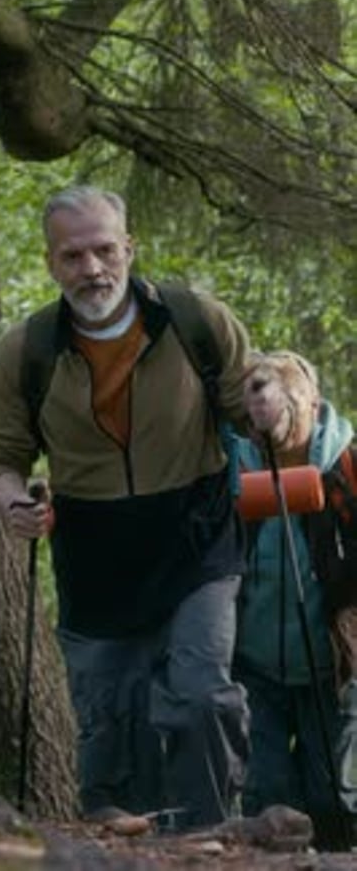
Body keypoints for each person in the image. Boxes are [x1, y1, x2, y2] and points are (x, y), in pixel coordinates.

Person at [0, 184, 252, 830]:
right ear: (51, 263)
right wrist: (14, 502)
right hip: (95, 550)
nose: (92, 268)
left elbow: (249, 400)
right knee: (110, 722)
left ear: (129, 248)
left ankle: (210, 834)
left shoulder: (196, 320)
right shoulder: (29, 349)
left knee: (203, 694)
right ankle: (125, 846)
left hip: (196, 537)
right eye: (73, 256)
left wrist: (277, 409)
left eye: (104, 250)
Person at [235, 350, 357, 849]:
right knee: (268, 797)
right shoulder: (233, 467)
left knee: (330, 798)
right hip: (252, 666)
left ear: (313, 402)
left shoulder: (347, 465)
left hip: (328, 668)